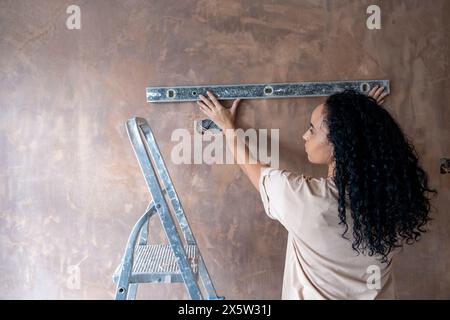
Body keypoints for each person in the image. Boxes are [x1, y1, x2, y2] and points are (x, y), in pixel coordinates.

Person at [196, 86, 436, 299]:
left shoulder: (307, 199)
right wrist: (364, 121)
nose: (305, 135)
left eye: (312, 129)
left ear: (337, 142)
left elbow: (253, 169)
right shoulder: (395, 204)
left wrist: (227, 126)